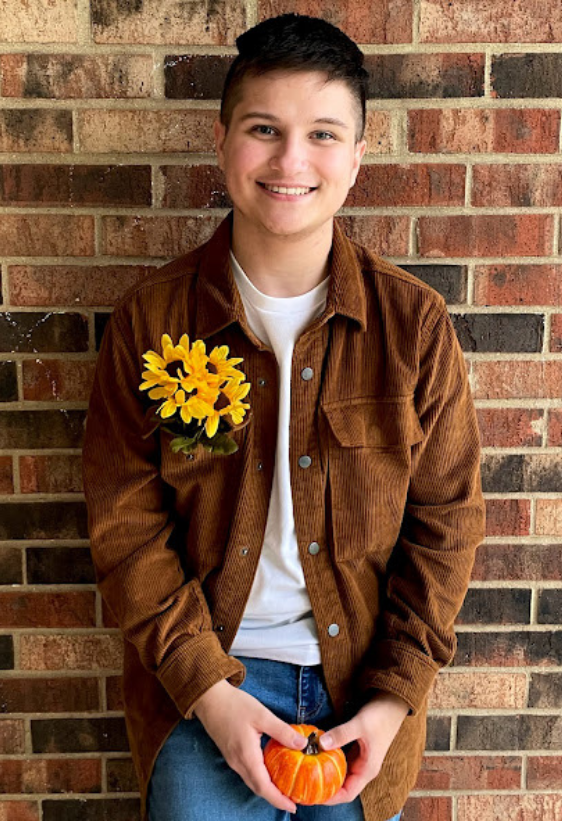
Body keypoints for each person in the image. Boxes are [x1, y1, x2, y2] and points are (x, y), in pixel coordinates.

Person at [82, 13, 486, 821]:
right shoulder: (151, 320)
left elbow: (447, 523)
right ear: (223, 138)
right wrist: (210, 692)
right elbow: (125, 527)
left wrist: (393, 699)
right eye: (264, 129)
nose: (292, 160)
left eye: (324, 134)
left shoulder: (414, 327)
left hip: (361, 695)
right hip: (202, 688)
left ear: (359, 156)